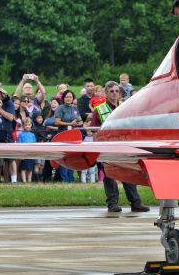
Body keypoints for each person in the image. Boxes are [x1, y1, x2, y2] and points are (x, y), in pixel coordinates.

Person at [93, 81, 150, 213]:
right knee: (110, 177)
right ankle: (112, 204)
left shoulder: (125, 107)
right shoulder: (99, 110)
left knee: (128, 174)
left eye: (116, 91)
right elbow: (93, 130)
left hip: (123, 147)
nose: (114, 93)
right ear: (106, 93)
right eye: (111, 91)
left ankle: (136, 203)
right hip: (106, 149)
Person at [54, 90, 82, 183]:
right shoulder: (60, 108)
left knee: (72, 157)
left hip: (73, 136)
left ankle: (71, 179)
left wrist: (77, 123)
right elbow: (57, 122)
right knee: (64, 157)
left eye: (70, 97)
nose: (68, 98)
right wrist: (69, 123)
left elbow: (80, 121)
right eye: (66, 97)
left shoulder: (75, 108)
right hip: (63, 135)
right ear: (63, 98)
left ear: (73, 98)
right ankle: (64, 179)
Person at [17, 117, 36, 183]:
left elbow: (34, 144)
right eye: (25, 125)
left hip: (31, 154)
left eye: (28, 125)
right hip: (24, 154)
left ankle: (29, 180)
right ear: (23, 126)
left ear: (31, 125)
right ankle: (24, 181)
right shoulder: (21, 135)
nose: (27, 126)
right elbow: (19, 144)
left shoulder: (33, 135)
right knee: (23, 168)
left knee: (30, 168)